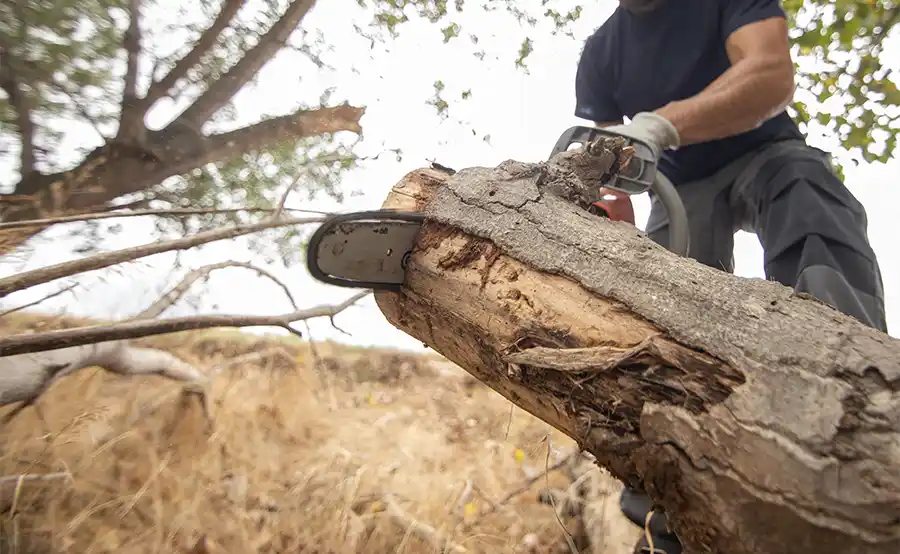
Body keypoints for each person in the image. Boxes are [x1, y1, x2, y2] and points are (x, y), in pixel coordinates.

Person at [572, 0, 889, 552]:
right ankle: (670, 508)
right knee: (661, 306)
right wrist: (606, 211)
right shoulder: (601, 53)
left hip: (765, 149)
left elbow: (769, 73)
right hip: (680, 190)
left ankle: (859, 393)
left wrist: (666, 123)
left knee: (807, 195)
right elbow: (607, 161)